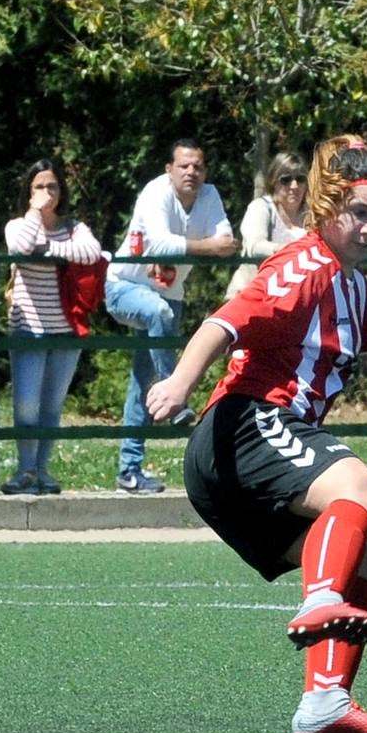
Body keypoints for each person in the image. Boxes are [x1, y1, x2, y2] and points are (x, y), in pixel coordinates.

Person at [144, 135, 367, 733]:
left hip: (237, 463)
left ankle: (325, 703)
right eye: (359, 212)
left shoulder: (355, 288)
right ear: (328, 204)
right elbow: (223, 322)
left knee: (361, 560)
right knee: (358, 489)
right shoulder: (302, 267)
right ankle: (318, 600)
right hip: (244, 423)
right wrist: (180, 380)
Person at [105, 138, 236, 493]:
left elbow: (229, 241)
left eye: (198, 166)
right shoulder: (155, 192)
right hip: (124, 286)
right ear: (169, 169)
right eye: (184, 165)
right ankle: (175, 393)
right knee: (159, 316)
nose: (191, 172)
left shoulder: (209, 196)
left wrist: (211, 246)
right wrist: (209, 247)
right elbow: (159, 244)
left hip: (169, 293)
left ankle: (129, 470)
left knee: (141, 383)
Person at [2, 160, 105, 495]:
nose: (46, 194)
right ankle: (25, 470)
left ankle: (42, 471)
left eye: (52, 187)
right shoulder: (18, 224)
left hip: (65, 329)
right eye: (39, 187)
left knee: (52, 406)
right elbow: (20, 248)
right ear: (28, 192)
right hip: (27, 328)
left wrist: (50, 249)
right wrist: (35, 215)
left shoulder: (74, 227)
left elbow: (91, 252)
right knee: (26, 404)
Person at [225, 151, 308, 298]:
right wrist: (288, 249)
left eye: (300, 179)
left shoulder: (312, 215)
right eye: (286, 180)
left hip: (294, 299)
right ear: (273, 181)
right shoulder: (261, 207)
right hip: (252, 295)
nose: (294, 186)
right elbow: (254, 247)